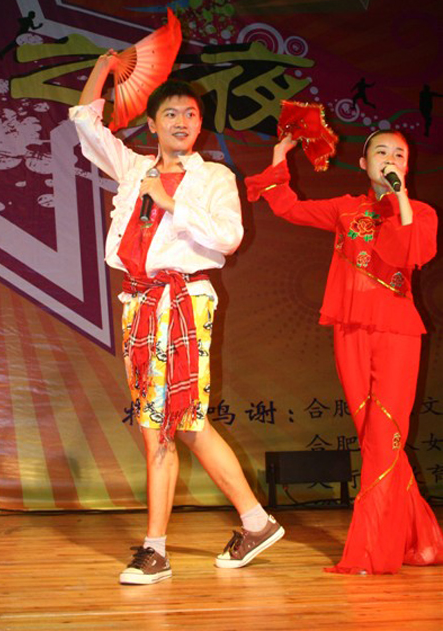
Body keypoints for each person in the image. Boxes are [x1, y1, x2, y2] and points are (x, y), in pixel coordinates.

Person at [69, 52, 284, 585]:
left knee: (162, 425)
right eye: (171, 114)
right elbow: (86, 125)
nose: (181, 121)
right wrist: (103, 69)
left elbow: (229, 238)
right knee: (180, 423)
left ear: (200, 125)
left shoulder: (214, 177)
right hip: (140, 304)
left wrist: (169, 203)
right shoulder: (134, 168)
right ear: (153, 124)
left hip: (185, 300)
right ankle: (255, 522)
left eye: (190, 114)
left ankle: (156, 550)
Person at [245, 128, 443, 574]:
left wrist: (400, 197)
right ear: (363, 163)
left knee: (385, 436)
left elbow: (410, 252)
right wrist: (279, 155)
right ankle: (421, 539)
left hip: (397, 333)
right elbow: (289, 207)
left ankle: (372, 551)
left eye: (399, 154)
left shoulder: (422, 213)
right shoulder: (345, 208)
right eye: (381, 152)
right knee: (373, 438)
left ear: (407, 165)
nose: (390, 159)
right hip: (350, 330)